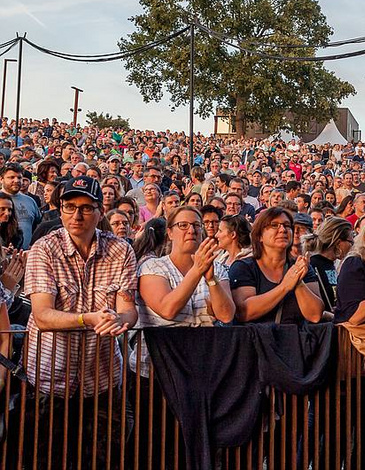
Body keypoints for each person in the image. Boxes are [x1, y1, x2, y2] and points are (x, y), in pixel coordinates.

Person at [23, 175, 137, 466]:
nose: (77, 215)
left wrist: (117, 320)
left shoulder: (121, 250)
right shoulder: (44, 249)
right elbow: (43, 315)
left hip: (102, 377)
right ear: (60, 209)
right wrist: (89, 319)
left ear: (100, 211)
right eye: (70, 206)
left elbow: (128, 309)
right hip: (49, 378)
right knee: (46, 458)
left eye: (86, 208)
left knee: (104, 459)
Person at [132, 206, 236, 377]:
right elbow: (168, 309)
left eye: (196, 225)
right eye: (183, 225)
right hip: (157, 370)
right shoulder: (152, 267)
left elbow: (226, 315)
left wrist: (211, 279)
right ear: (170, 233)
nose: (191, 230)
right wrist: (198, 270)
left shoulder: (217, 268)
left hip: (202, 367)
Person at [229, 207, 324, 324]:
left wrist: (298, 282)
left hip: (294, 340)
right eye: (274, 225)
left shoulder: (301, 267)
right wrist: (285, 286)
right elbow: (244, 313)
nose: (283, 229)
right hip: (255, 340)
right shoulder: (243, 267)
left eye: (287, 225)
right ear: (259, 236)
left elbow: (315, 315)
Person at [303, 216, 354, 312]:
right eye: (350, 242)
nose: (352, 246)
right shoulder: (313, 266)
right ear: (339, 243)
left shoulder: (330, 264)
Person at [1, 163, 41, 249]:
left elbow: (38, 226)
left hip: (26, 257)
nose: (16, 181)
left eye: (19, 177)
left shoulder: (30, 201)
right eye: (11, 177)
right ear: (1, 179)